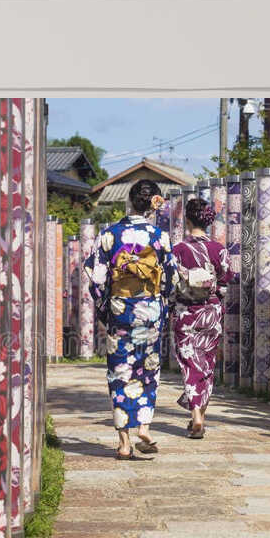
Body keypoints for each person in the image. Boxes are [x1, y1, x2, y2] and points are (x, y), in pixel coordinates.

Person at [85, 179, 173, 460]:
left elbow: (97, 278)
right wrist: (163, 306)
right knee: (148, 368)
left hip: (121, 308)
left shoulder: (109, 234)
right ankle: (144, 426)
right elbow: (169, 279)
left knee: (120, 371)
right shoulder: (160, 236)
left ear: (130, 201)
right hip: (150, 309)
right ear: (153, 204)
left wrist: (105, 309)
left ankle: (124, 442)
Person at [167, 196, 230, 438]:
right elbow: (224, 283)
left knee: (189, 363)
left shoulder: (178, 250)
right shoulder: (219, 250)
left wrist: (173, 306)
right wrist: (214, 299)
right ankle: (200, 415)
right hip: (211, 312)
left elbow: (171, 283)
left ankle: (196, 416)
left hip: (186, 313)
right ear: (209, 221)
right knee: (206, 364)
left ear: (187, 219)